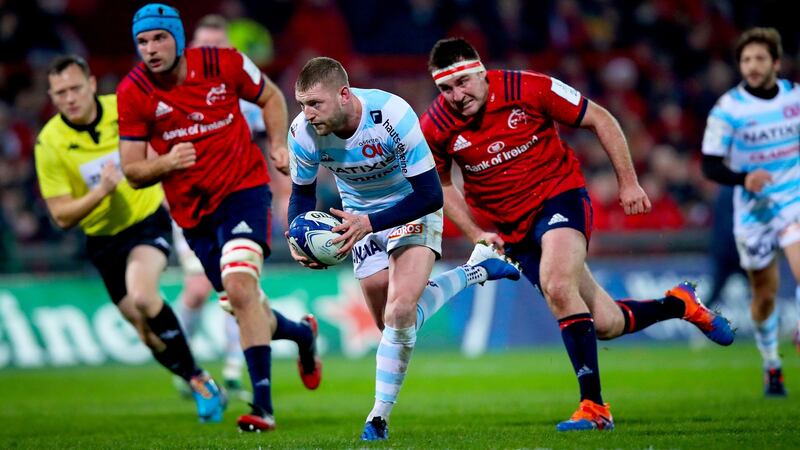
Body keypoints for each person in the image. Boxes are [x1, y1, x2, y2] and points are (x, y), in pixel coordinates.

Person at [420, 38, 735, 431]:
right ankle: (680, 304)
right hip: (514, 231)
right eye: (445, 89)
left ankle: (594, 407)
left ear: (481, 71)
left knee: (556, 283)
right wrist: (475, 232)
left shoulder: (529, 86)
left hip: (560, 197)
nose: (455, 95)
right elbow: (440, 185)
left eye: (463, 82)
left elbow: (600, 118)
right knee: (606, 323)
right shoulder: (435, 124)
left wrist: (629, 182)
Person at [287, 56, 521, 441]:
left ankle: (377, 418)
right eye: (302, 105)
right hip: (358, 217)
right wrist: (298, 238)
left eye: (315, 104)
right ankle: (475, 270)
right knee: (391, 326)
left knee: (399, 312)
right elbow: (301, 193)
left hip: (410, 207)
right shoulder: (303, 134)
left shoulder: (391, 115)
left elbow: (431, 195)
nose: (307, 114)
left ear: (344, 95)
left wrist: (370, 224)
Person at [117, 4, 321, 432]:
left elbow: (269, 94)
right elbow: (133, 170)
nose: (151, 49)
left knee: (240, 285)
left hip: (243, 191)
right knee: (241, 302)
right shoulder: (133, 91)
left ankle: (262, 406)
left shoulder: (222, 62)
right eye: (142, 42)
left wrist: (280, 147)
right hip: (193, 216)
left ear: (178, 38)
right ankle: (302, 335)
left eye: (159, 38)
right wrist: (166, 163)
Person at [34, 54, 225, 423]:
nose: (69, 98)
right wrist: (101, 192)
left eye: (75, 88)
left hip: (145, 221)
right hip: (102, 239)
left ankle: (199, 382)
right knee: (147, 335)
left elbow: (164, 139)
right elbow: (61, 215)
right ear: (52, 96)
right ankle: (195, 374)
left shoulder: (123, 109)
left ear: (91, 85)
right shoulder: (50, 143)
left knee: (143, 295)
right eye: (60, 93)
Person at [169, 13, 271, 403]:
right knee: (197, 291)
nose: (209, 53)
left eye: (218, 45)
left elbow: (262, 139)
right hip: (191, 203)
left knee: (239, 282)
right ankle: (183, 365)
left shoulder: (242, 88)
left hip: (236, 199)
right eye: (202, 45)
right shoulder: (169, 88)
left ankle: (233, 370)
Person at [701, 27, 800, 397]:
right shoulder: (729, 110)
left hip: (793, 199)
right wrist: (744, 177)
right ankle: (772, 363)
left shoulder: (795, 98)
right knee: (765, 296)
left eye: (760, 59)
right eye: (746, 60)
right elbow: (709, 166)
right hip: (754, 212)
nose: (752, 66)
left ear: (776, 62)